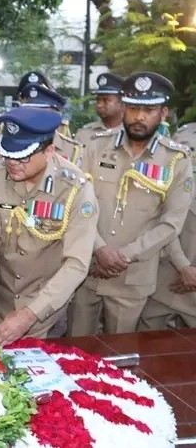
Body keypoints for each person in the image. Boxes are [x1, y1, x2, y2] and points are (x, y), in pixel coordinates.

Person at [68, 72, 193, 335]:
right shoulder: (95, 147)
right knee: (76, 350)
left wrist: (122, 257)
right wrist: (101, 249)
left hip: (132, 278)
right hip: (86, 270)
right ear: (124, 109)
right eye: (134, 108)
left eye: (149, 110)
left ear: (164, 113)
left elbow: (171, 224)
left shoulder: (176, 160)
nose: (139, 117)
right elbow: (77, 204)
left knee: (120, 356)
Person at [0, 107, 98, 344]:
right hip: (0, 300)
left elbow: (76, 264)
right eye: (7, 154)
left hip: (46, 309)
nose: (13, 163)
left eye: (23, 156)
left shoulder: (75, 189)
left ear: (49, 151)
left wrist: (29, 314)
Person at [139, 125, 196, 330]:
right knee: (148, 349)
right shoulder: (184, 135)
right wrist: (183, 266)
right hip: (166, 278)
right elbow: (164, 216)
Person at [19, 84, 83, 167]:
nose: (32, 117)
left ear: (55, 116)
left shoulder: (72, 150)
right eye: (28, 112)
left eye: (39, 113)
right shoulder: (9, 143)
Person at [74, 73, 125, 148]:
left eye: (106, 100)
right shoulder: (84, 133)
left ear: (122, 103)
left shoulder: (132, 135)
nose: (99, 105)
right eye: (98, 100)